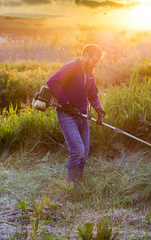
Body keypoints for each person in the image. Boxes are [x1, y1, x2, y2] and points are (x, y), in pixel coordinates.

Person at [47, 44, 106, 186]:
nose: (96, 63)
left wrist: (99, 109)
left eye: (98, 60)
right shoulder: (72, 67)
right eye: (94, 59)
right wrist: (66, 104)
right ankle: (71, 187)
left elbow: (93, 94)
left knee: (84, 153)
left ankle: (78, 185)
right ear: (85, 55)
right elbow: (52, 82)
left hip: (82, 116)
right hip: (66, 115)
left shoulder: (90, 73)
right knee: (78, 150)